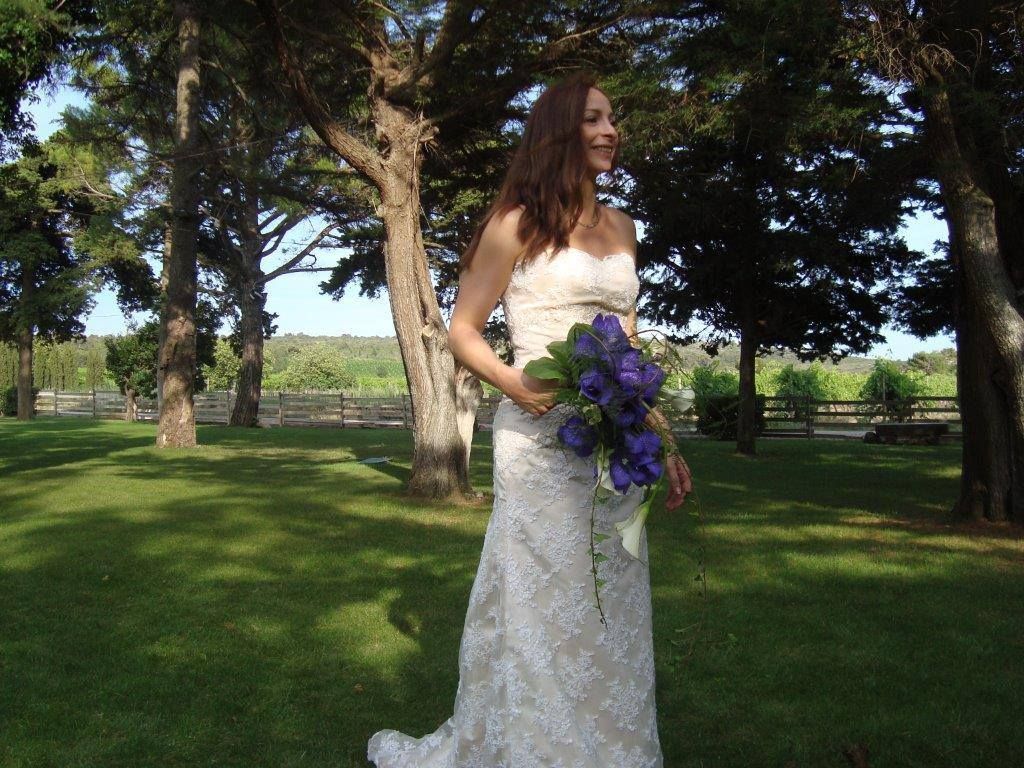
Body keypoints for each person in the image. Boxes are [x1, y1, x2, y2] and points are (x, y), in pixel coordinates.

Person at [367, 71, 693, 768]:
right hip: (538, 443)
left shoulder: (624, 226)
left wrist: (661, 439)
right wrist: (515, 382)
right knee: (547, 602)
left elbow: (627, 345)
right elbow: (462, 330)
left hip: (614, 446)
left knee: (613, 603)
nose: (611, 131)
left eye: (613, 119)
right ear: (558, 132)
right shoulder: (515, 224)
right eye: (595, 120)